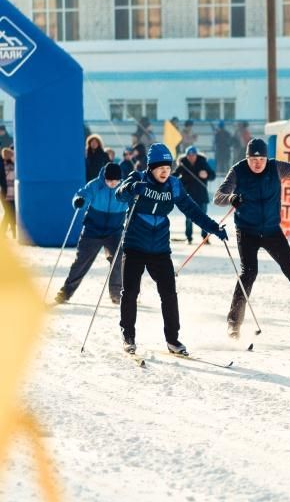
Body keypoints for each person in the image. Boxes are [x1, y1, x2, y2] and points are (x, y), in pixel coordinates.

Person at [214, 138, 290, 338]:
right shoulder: (237, 171)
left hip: (272, 230)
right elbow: (218, 196)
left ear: (266, 158)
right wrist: (231, 198)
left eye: (261, 159)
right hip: (247, 231)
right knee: (249, 273)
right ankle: (233, 324)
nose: (257, 163)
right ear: (247, 158)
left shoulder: (276, 167)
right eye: (253, 159)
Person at [115, 143, 228, 355]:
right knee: (130, 292)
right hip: (135, 246)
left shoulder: (174, 185)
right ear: (151, 168)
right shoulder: (138, 178)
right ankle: (128, 336)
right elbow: (119, 195)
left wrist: (213, 228)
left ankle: (173, 340)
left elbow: (192, 210)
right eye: (160, 168)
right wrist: (131, 188)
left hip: (160, 248)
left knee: (169, 294)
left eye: (167, 167)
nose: (165, 171)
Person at [54, 163, 129, 305]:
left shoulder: (125, 188)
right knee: (81, 262)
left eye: (115, 181)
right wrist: (79, 201)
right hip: (92, 230)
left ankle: (117, 294)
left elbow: (134, 199)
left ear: (120, 179)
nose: (112, 183)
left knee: (118, 260)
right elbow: (82, 194)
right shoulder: (95, 185)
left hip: (114, 232)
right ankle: (66, 292)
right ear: (104, 178)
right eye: (109, 180)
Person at [173, 145, 217, 244]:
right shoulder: (183, 164)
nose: (191, 157)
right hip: (188, 196)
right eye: (189, 155)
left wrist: (206, 175)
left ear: (196, 155)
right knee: (189, 218)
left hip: (201, 195)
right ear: (186, 155)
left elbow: (212, 175)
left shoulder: (203, 162)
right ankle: (189, 237)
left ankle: (205, 237)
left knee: (203, 217)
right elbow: (174, 175)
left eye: (193, 155)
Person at [0, 147, 14, 240]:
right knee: (10, 213)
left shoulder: (11, 165)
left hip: (10, 193)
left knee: (10, 214)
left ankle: (12, 233)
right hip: (6, 193)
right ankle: (4, 232)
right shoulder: (5, 166)